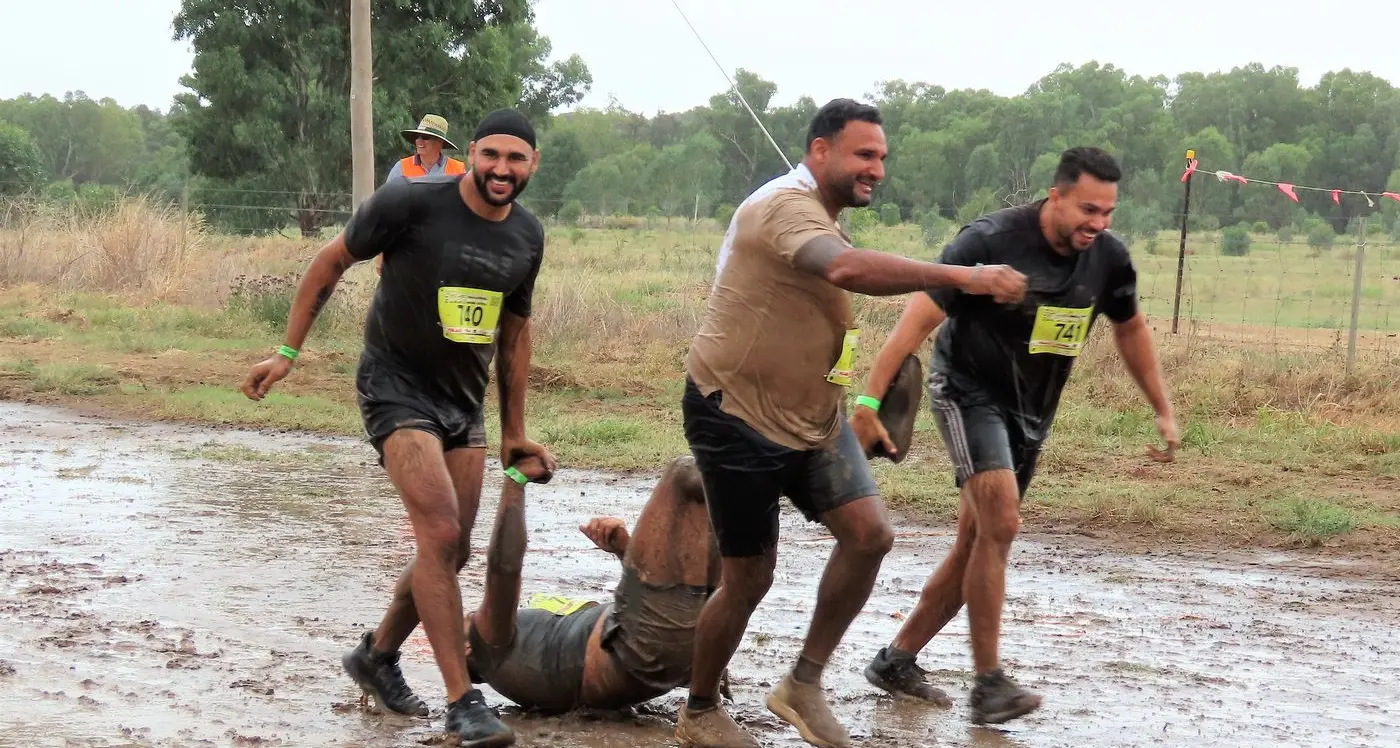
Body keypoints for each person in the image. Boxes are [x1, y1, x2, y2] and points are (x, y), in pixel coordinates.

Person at [675, 98, 1028, 748]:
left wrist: (865, 403)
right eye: (864, 155)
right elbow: (846, 268)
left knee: (869, 536)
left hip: (813, 415)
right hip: (737, 414)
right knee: (750, 577)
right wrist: (964, 276)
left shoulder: (821, 213)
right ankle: (698, 709)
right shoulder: (783, 208)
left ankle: (802, 683)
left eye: (882, 157)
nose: (877, 169)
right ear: (819, 152)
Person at [240, 108, 553, 747]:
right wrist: (288, 354)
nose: (501, 169)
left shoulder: (527, 236)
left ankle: (376, 656)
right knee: (438, 532)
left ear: (532, 166)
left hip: (463, 404)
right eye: (491, 155)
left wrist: (515, 429)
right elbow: (329, 263)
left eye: (515, 159)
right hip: (394, 387)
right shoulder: (410, 201)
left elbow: (515, 333)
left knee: (453, 548)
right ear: (470, 154)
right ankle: (462, 702)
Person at [853, 146, 1180, 725]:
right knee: (1001, 522)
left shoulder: (1108, 259)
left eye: (1107, 212)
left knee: (979, 542)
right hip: (965, 390)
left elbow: (1131, 330)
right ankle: (989, 685)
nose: (1098, 223)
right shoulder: (990, 241)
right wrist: (868, 402)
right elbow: (917, 319)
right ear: (1055, 195)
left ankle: (897, 660)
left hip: (1032, 414)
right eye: (1087, 209)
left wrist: (1162, 408)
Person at [463, 455, 721, 714]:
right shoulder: (487, 643)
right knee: (688, 473)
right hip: (641, 651)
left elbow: (640, 610)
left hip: (660, 653)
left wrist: (625, 553)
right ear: (465, 649)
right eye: (461, 619)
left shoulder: (519, 668)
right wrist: (515, 479)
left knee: (716, 505)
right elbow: (504, 568)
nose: (468, 613)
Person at [386, 113, 467, 182]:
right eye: (417, 136)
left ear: (440, 142)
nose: (419, 140)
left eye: (425, 137)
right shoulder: (400, 168)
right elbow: (387, 198)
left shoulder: (458, 170)